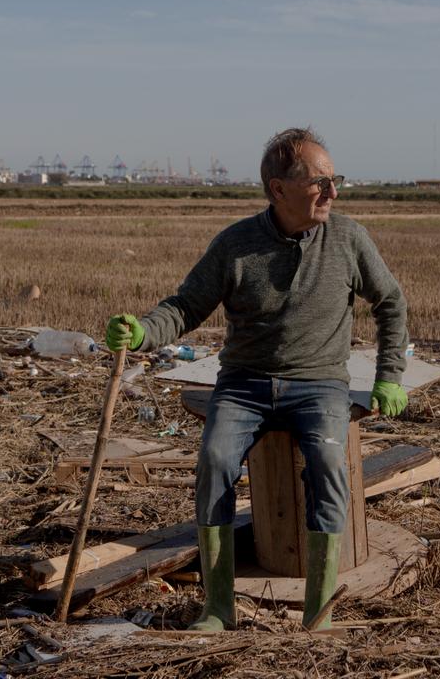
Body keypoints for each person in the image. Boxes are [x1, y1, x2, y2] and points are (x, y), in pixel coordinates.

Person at [106, 127, 409, 631]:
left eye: (336, 181)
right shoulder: (235, 245)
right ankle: (217, 606)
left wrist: (390, 376)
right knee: (215, 459)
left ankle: (320, 610)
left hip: (319, 384)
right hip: (244, 384)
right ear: (278, 190)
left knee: (330, 461)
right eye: (320, 183)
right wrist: (141, 333)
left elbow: (391, 303)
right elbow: (185, 307)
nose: (332, 193)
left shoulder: (349, 239)